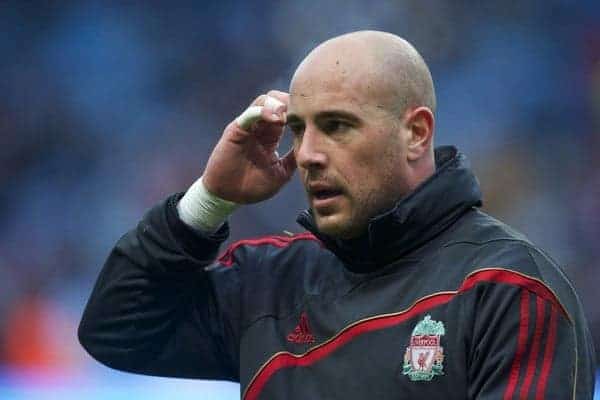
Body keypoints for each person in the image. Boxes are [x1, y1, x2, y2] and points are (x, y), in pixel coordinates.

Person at [78, 31, 596, 399]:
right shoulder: (271, 283)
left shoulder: (507, 290)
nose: (306, 154)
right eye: (299, 130)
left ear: (415, 133)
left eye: (337, 126)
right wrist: (210, 199)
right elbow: (117, 330)